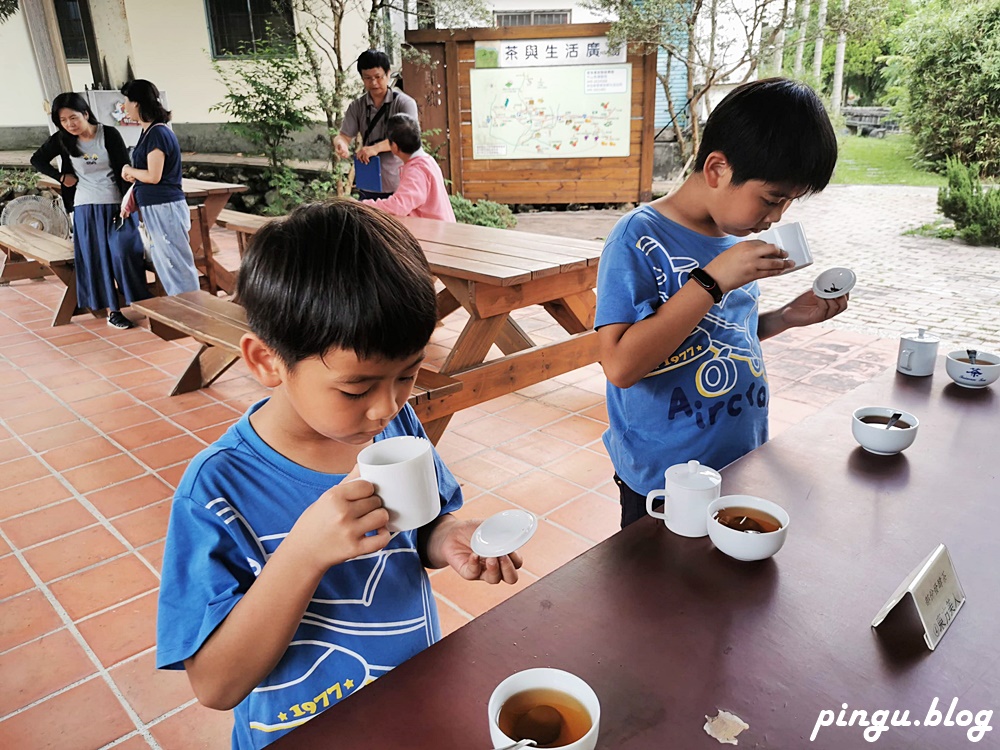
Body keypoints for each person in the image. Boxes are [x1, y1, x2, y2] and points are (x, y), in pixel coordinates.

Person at [156, 200, 522, 750]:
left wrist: (449, 538)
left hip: (410, 709)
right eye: (356, 388)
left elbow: (422, 529)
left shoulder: (395, 426)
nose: (385, 407)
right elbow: (215, 684)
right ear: (266, 362)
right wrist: (305, 553)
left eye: (407, 374)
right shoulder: (216, 489)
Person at [595, 78, 847, 528]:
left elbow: (722, 331)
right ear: (717, 170)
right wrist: (712, 282)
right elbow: (620, 365)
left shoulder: (734, 238)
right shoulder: (638, 237)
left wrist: (786, 317)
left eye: (788, 202)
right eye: (772, 199)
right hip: (667, 480)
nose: (777, 217)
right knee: (661, 589)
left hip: (739, 456)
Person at [31, 93, 150, 328]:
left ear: (85, 113)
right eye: (63, 121)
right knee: (98, 259)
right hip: (86, 206)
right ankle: (113, 311)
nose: (69, 124)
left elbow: (124, 169)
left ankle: (141, 302)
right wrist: (60, 177)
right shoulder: (63, 139)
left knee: (125, 250)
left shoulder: (109, 134)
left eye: (73, 118)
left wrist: (130, 204)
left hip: (117, 204)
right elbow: (37, 159)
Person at [119, 79, 200, 296]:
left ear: (137, 103)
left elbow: (153, 176)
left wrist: (129, 170)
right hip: (156, 206)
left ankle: (193, 312)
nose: (124, 106)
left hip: (165, 206)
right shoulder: (149, 132)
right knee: (166, 262)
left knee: (176, 263)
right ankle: (185, 310)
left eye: (126, 101)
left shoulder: (157, 133)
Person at [334, 50, 419, 199]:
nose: (373, 83)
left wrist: (375, 148)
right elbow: (344, 136)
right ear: (362, 78)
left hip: (400, 183)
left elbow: (408, 139)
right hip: (369, 182)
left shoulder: (405, 103)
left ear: (388, 74)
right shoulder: (357, 106)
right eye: (367, 78)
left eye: (378, 77)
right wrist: (341, 144)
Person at [360, 113, 456, 222]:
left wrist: (362, 205)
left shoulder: (416, 170)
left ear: (395, 147)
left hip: (435, 234)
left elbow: (398, 206)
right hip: (439, 228)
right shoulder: (427, 161)